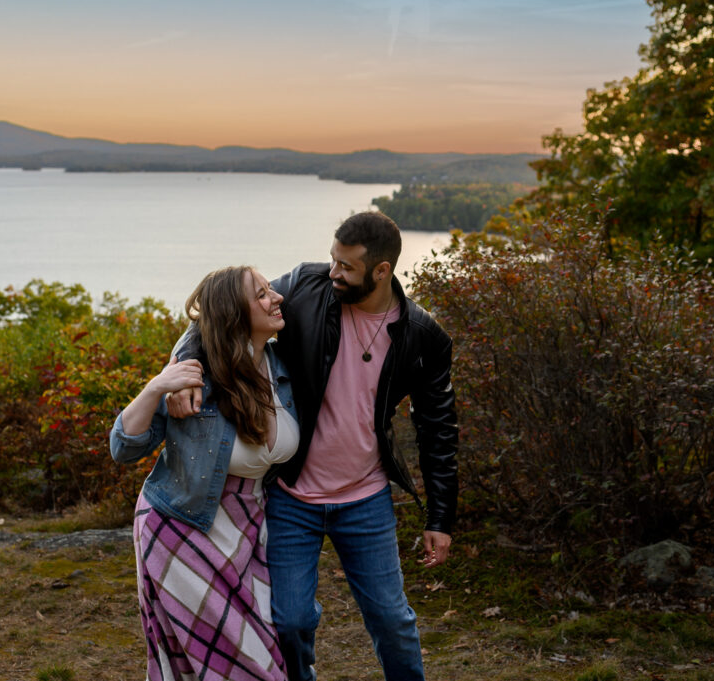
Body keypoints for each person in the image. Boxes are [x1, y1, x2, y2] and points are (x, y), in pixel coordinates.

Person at [168, 212, 458, 681]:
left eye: (346, 267)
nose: (334, 273)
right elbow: (219, 315)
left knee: (392, 619)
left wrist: (441, 518)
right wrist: (183, 372)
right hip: (291, 496)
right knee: (289, 621)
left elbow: (439, 429)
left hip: (366, 497)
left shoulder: (423, 336)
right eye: (332, 260)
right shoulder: (305, 287)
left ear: (381, 271)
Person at [110, 266, 299, 681]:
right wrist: (159, 384)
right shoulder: (196, 376)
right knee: (244, 663)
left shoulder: (282, 365)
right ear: (235, 312)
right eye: (262, 294)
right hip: (180, 526)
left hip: (251, 526)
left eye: (271, 289)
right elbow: (124, 447)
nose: (277, 298)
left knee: (263, 641)